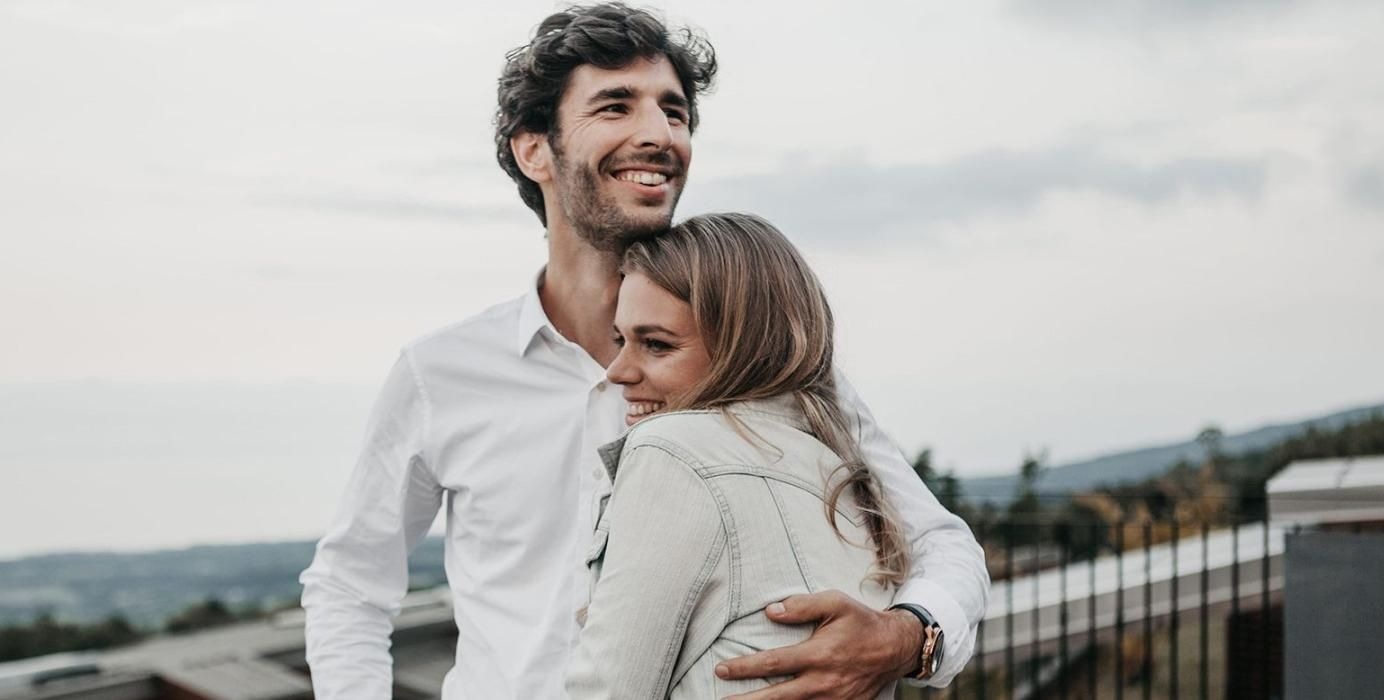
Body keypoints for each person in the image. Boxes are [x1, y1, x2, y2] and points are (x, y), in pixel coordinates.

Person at [298, 5, 988, 698]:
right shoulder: (440, 374)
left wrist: (907, 637)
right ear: (533, 148)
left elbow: (943, 544)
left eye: (675, 112)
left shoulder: (762, 358)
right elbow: (349, 587)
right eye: (616, 106)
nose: (659, 134)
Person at [568, 212, 918, 697]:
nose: (618, 371)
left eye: (656, 344)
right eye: (620, 341)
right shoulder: (843, 474)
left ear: (743, 345)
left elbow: (605, 691)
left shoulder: (673, 452)